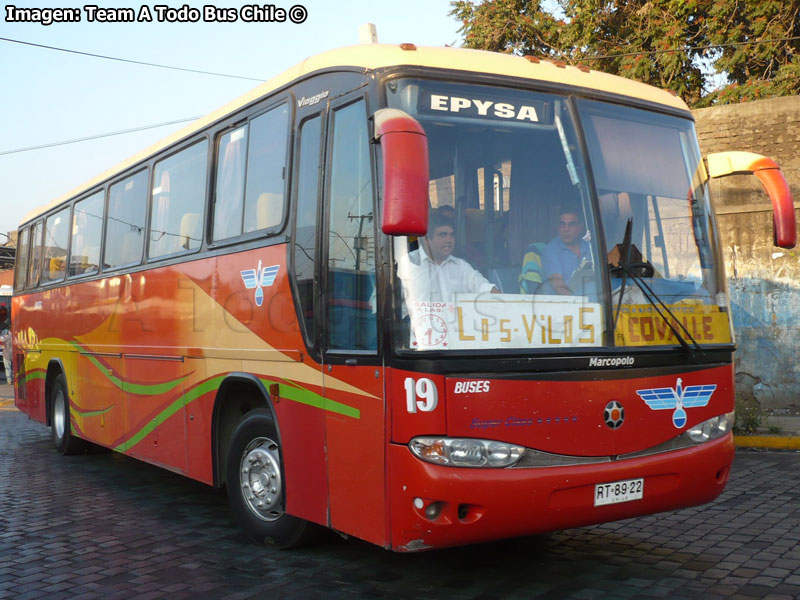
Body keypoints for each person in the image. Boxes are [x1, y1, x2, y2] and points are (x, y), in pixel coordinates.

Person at [397, 208, 498, 346]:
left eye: (451, 235)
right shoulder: (407, 265)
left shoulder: (461, 267)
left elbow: (484, 288)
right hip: (417, 348)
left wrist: (498, 297)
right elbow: (380, 306)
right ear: (426, 239)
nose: (449, 240)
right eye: (443, 235)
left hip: (457, 346)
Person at [541, 206, 593, 295]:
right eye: (562, 224)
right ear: (558, 227)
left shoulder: (590, 247)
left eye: (571, 224)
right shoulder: (551, 250)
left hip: (596, 298)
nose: (566, 229)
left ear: (580, 227)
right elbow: (558, 285)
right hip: (567, 302)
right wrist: (576, 304)